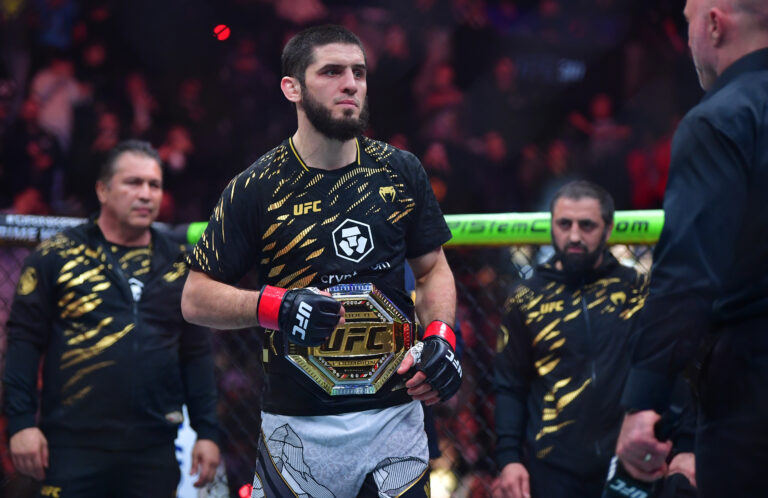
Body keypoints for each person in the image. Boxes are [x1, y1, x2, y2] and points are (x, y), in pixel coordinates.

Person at [180, 25, 462, 498]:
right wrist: (277, 307)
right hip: (298, 428)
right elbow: (194, 297)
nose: (350, 84)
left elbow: (433, 269)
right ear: (292, 87)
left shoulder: (400, 170)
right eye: (331, 72)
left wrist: (441, 337)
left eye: (358, 72)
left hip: (395, 419)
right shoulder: (256, 187)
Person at [2, 140, 220, 497]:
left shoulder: (180, 263)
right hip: (71, 446)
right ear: (102, 190)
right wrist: (21, 422)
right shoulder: (57, 256)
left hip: (154, 448)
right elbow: (23, 343)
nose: (146, 194)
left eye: (154, 184)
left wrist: (207, 432)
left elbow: (195, 353)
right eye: (133, 182)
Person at [615, 1, 768, 496]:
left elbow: (686, 277)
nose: (688, 40)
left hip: (751, 388)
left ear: (715, 25)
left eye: (688, 23)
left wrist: (646, 401)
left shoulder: (722, 118)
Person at [492, 181, 694, 498]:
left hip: (631, 461)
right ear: (552, 226)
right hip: (552, 467)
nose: (574, 236)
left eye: (587, 225)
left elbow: (676, 368)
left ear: (608, 229)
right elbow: (510, 385)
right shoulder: (526, 297)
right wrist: (509, 460)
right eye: (564, 224)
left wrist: (686, 446)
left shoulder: (639, 290)